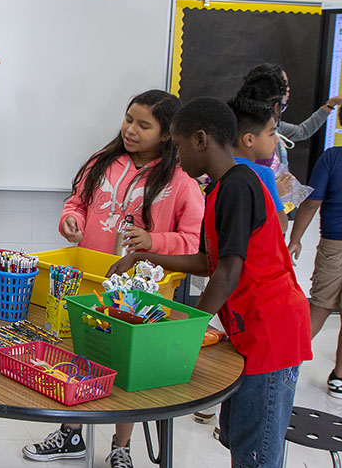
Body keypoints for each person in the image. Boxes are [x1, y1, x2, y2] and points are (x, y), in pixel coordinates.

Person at [108, 96, 312, 468]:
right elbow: (207, 261)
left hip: (272, 330)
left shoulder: (238, 185)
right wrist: (142, 255)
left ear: (200, 140)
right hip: (249, 328)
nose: (177, 154)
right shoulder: (218, 189)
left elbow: (227, 272)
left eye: (180, 144)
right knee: (237, 434)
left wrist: (189, 331)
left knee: (257, 451)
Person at [23, 90, 203, 467]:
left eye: (143, 124)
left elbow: (193, 243)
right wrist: (70, 219)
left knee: (127, 369)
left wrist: (154, 240)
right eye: (128, 119)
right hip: (89, 283)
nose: (130, 130)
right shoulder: (102, 162)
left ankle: (121, 446)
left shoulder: (181, 181)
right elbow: (77, 203)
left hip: (140, 295)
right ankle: (71, 433)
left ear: (168, 133)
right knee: (80, 356)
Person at [288, 103, 342, 398]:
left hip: (335, 242)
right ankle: (341, 377)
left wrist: (295, 238)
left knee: (321, 305)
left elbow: (311, 203)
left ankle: (288, 362)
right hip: (337, 241)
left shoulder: (333, 157)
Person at [236, 63, 342, 206]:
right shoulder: (247, 130)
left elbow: (302, 131)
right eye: (284, 86)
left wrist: (330, 105)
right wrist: (272, 192)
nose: (276, 138)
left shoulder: (273, 123)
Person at [228, 96, 289, 233]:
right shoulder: (262, 174)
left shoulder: (218, 167)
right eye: (271, 134)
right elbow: (280, 225)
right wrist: (275, 195)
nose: (277, 139)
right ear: (249, 139)